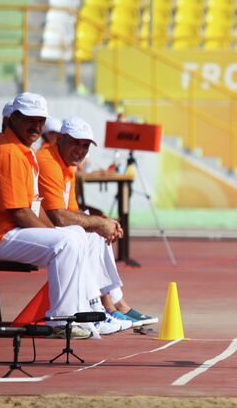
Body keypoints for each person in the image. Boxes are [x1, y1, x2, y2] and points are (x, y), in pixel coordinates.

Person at [0, 93, 100, 339]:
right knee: (67, 241)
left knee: (75, 234)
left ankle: (84, 310)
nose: (37, 126)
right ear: (14, 119)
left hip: (8, 233)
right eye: (31, 119)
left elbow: (32, 206)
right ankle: (62, 319)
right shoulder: (9, 152)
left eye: (41, 120)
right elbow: (19, 213)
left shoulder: (21, 150)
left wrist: (56, 233)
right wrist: (55, 235)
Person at [36, 116, 157, 327]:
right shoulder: (48, 161)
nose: (81, 150)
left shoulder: (67, 165)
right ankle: (104, 308)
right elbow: (58, 215)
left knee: (95, 227)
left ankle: (114, 306)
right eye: (76, 143)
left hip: (49, 229)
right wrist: (99, 224)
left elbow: (71, 210)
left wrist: (102, 222)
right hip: (37, 230)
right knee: (91, 232)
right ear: (60, 138)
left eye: (85, 146)